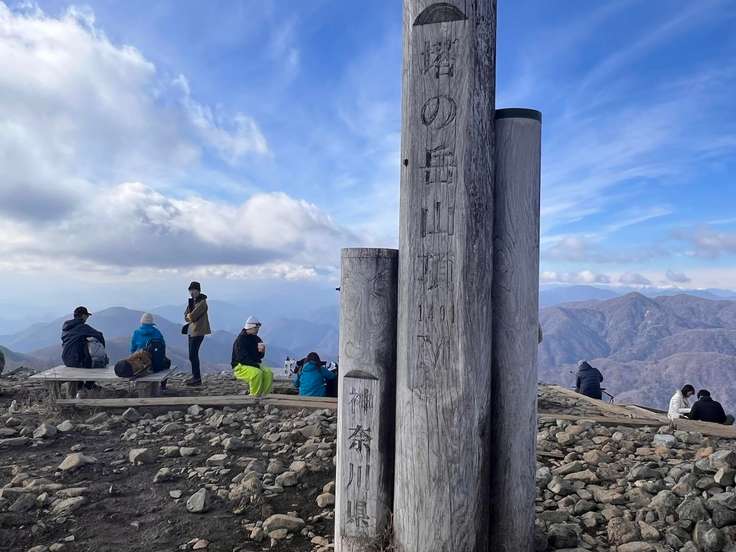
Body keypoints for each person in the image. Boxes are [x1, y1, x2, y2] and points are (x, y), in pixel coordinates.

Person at [61, 306, 106, 390]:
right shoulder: (82, 327)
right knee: (99, 362)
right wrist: (102, 348)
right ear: (83, 316)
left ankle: (79, 386)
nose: (87, 318)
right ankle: (89, 386)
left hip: (66, 359)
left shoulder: (65, 328)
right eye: (87, 316)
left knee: (83, 357)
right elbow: (99, 335)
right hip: (77, 360)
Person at [231, 316, 273, 397]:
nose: (258, 330)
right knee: (257, 373)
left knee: (268, 373)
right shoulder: (240, 340)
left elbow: (259, 357)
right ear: (251, 327)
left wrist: (262, 351)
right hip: (240, 366)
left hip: (252, 364)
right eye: (256, 328)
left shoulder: (256, 339)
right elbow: (242, 358)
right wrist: (256, 365)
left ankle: (264, 395)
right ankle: (254, 396)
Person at [184, 282, 210, 386]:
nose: (191, 292)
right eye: (190, 290)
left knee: (193, 355)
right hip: (191, 331)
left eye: (193, 290)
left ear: (198, 290)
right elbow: (186, 316)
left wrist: (189, 316)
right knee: (192, 355)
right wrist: (189, 316)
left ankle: (197, 378)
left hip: (198, 331)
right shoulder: (192, 301)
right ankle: (195, 377)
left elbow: (192, 316)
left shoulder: (202, 303)